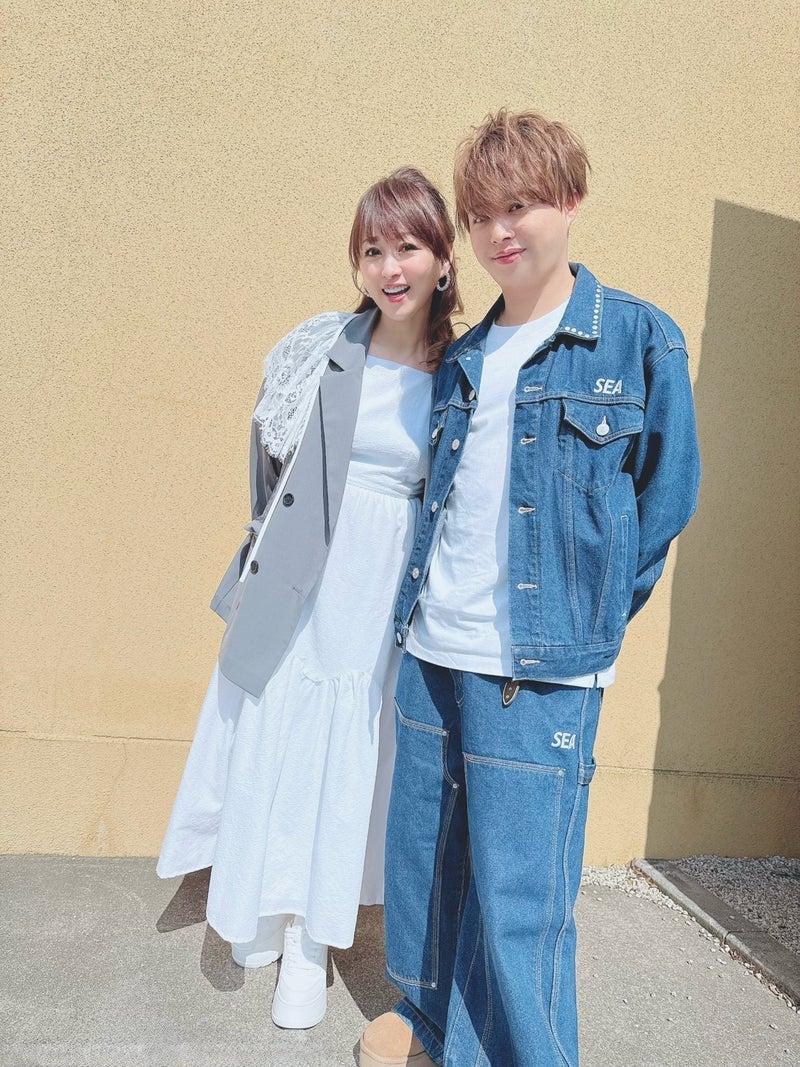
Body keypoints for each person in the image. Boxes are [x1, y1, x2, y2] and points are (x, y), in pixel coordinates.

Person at [359, 111, 701, 1067]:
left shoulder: (635, 337)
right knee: (426, 861)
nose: (500, 231)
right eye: (481, 216)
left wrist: (589, 613)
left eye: (520, 206)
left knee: (522, 896)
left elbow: (665, 497)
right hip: (434, 649)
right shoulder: (465, 356)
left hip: (539, 669)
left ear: (570, 201)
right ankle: (429, 1021)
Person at [157, 167, 461, 1030]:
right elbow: (266, 462)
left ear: (444, 258)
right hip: (303, 570)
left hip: (386, 584)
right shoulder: (319, 347)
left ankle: (313, 934)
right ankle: (266, 904)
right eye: (373, 250)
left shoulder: (462, 370)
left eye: (409, 246)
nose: (390, 267)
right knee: (282, 726)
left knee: (353, 745)